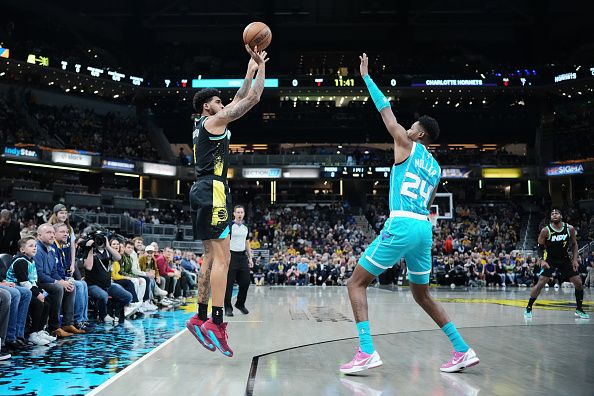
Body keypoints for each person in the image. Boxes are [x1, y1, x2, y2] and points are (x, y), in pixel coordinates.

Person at [340, 53, 479, 375]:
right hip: (423, 228)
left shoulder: (405, 142)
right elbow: (429, 200)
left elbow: (385, 112)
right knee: (422, 295)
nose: (407, 127)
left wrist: (366, 77)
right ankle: (462, 349)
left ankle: (366, 351)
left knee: (355, 284)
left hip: (402, 223)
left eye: (412, 126)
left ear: (418, 134)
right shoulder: (435, 166)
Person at [186, 44, 268, 357]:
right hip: (214, 191)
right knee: (223, 259)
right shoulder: (214, 122)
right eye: (217, 101)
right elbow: (252, 99)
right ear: (207, 107)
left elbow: (237, 98)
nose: (223, 104)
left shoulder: (203, 125)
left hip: (201, 189)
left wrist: (250, 69)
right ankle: (217, 323)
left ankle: (201, 315)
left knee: (209, 258)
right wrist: (263, 69)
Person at [524, 209, 590, 319]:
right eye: (552, 214)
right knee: (541, 283)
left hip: (564, 259)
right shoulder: (546, 230)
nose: (554, 215)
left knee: (578, 282)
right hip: (550, 259)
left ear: (561, 216)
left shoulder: (570, 229)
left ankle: (579, 309)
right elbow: (540, 247)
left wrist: (574, 259)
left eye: (557, 213)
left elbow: (574, 244)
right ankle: (529, 307)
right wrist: (542, 260)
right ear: (550, 218)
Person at [6, 236, 55, 345]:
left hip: (28, 288)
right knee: (38, 304)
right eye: (31, 246)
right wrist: (37, 294)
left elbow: (33, 280)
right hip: (19, 289)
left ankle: (40, 331)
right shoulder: (20, 261)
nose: (35, 248)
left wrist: (41, 291)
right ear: (22, 250)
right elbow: (24, 282)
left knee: (48, 302)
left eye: (36, 246)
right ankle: (33, 334)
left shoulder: (31, 261)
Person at [34, 223, 81, 338]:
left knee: (69, 286)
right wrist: (58, 282)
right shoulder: (37, 250)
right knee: (58, 288)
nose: (52, 236)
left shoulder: (51, 250)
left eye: (53, 233)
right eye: (48, 233)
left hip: (48, 280)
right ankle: (54, 327)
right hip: (37, 282)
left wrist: (63, 281)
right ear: (39, 235)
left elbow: (54, 272)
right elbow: (39, 275)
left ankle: (67, 323)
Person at [82, 230, 132, 323]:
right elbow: (88, 267)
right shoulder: (88, 250)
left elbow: (118, 258)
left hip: (107, 285)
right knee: (103, 295)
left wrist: (108, 246)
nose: (99, 241)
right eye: (97, 239)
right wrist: (91, 249)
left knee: (128, 296)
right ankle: (103, 316)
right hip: (92, 285)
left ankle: (114, 311)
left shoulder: (108, 251)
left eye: (101, 239)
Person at [52, 223, 92, 331]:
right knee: (77, 285)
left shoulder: (59, 247)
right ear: (54, 234)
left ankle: (83, 319)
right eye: (62, 232)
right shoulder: (52, 247)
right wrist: (62, 280)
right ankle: (76, 321)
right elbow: (52, 271)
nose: (66, 234)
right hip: (52, 281)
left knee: (82, 283)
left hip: (60, 277)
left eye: (66, 232)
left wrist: (66, 278)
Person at [224, 205, 254, 317]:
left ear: (244, 214)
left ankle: (240, 304)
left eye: (242, 212)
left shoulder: (246, 227)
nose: (240, 214)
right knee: (229, 284)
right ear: (234, 214)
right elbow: (225, 242)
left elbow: (247, 243)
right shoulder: (229, 226)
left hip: (242, 257)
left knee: (246, 282)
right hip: (231, 255)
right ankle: (227, 307)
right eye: (238, 212)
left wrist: (250, 257)